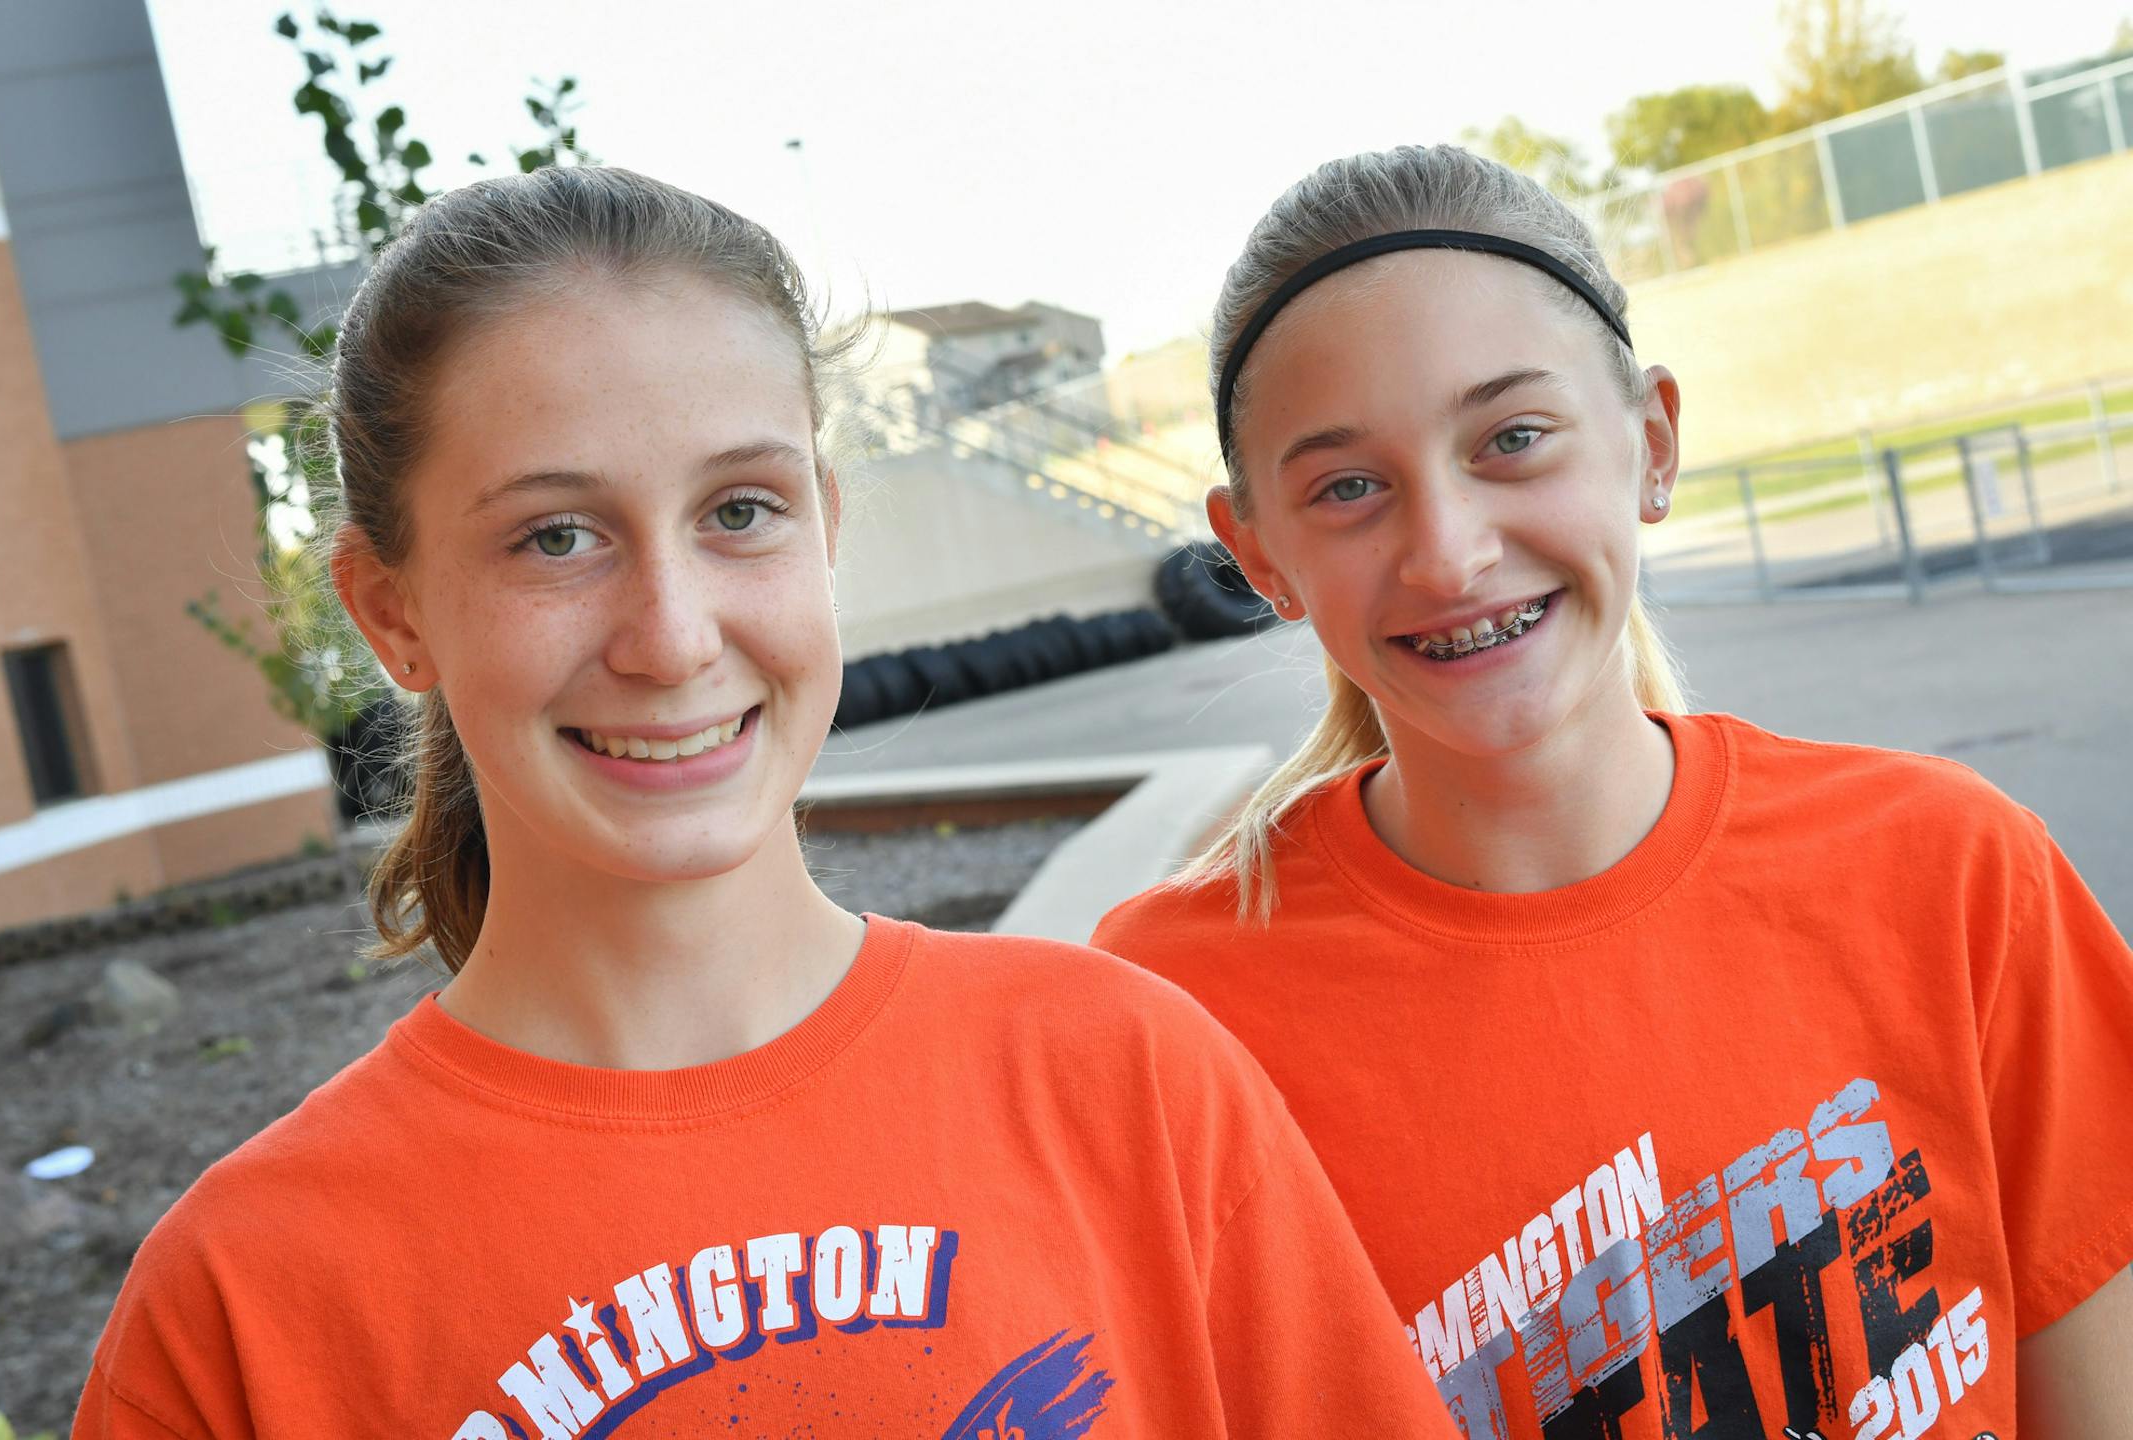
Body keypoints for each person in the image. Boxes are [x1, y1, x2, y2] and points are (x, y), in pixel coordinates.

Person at [71, 166, 1456, 1439]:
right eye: (557, 537)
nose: (671, 638)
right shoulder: (244, 1310)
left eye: (740, 512)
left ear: (828, 533)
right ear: (391, 613)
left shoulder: (1125, 1080)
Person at [1092, 144, 2133, 1438]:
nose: (1449, 550)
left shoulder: (1957, 874)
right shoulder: (1164, 1026)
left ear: (1651, 442)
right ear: (1259, 554)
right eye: (1349, 487)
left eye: (1513, 439)